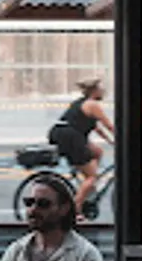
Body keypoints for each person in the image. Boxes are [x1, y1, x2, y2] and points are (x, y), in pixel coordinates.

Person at [48, 79, 115, 213]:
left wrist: (111, 142)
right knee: (91, 177)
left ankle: (89, 185)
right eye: (101, 89)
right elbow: (109, 125)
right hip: (71, 137)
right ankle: (75, 210)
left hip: (65, 134)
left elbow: (97, 128)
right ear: (94, 91)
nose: (103, 92)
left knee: (97, 152)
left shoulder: (82, 103)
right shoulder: (92, 105)